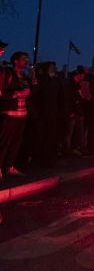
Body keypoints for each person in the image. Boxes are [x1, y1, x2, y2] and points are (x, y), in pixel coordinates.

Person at [0, 51, 38, 179]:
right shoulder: (8, 74)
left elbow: (34, 91)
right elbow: (2, 93)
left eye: (26, 59)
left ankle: (9, 166)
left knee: (16, 142)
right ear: (16, 61)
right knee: (4, 142)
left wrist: (33, 77)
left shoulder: (24, 76)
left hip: (22, 114)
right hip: (10, 114)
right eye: (23, 59)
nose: (26, 61)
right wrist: (18, 93)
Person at [32, 61, 64, 167]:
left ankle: (47, 158)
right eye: (51, 67)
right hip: (41, 114)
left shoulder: (56, 81)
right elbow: (35, 96)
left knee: (49, 137)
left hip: (53, 114)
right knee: (38, 137)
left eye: (54, 67)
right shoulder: (41, 81)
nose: (53, 69)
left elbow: (61, 97)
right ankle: (36, 159)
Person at [63, 69, 87, 156]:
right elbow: (67, 100)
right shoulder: (69, 87)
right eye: (76, 76)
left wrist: (81, 113)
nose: (78, 77)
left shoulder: (80, 86)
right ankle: (66, 150)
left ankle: (81, 148)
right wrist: (70, 111)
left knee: (80, 132)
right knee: (69, 132)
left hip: (78, 113)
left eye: (79, 76)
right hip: (72, 113)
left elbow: (81, 101)